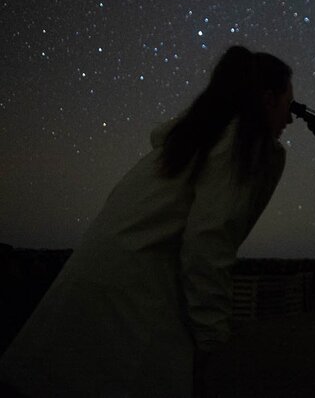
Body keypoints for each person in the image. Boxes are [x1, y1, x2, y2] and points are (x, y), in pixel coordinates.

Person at [0, 45, 294, 397]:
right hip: (134, 302)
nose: (290, 119)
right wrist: (212, 336)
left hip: (91, 287)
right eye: (288, 106)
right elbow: (209, 243)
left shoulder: (190, 142)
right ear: (267, 99)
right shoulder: (238, 145)